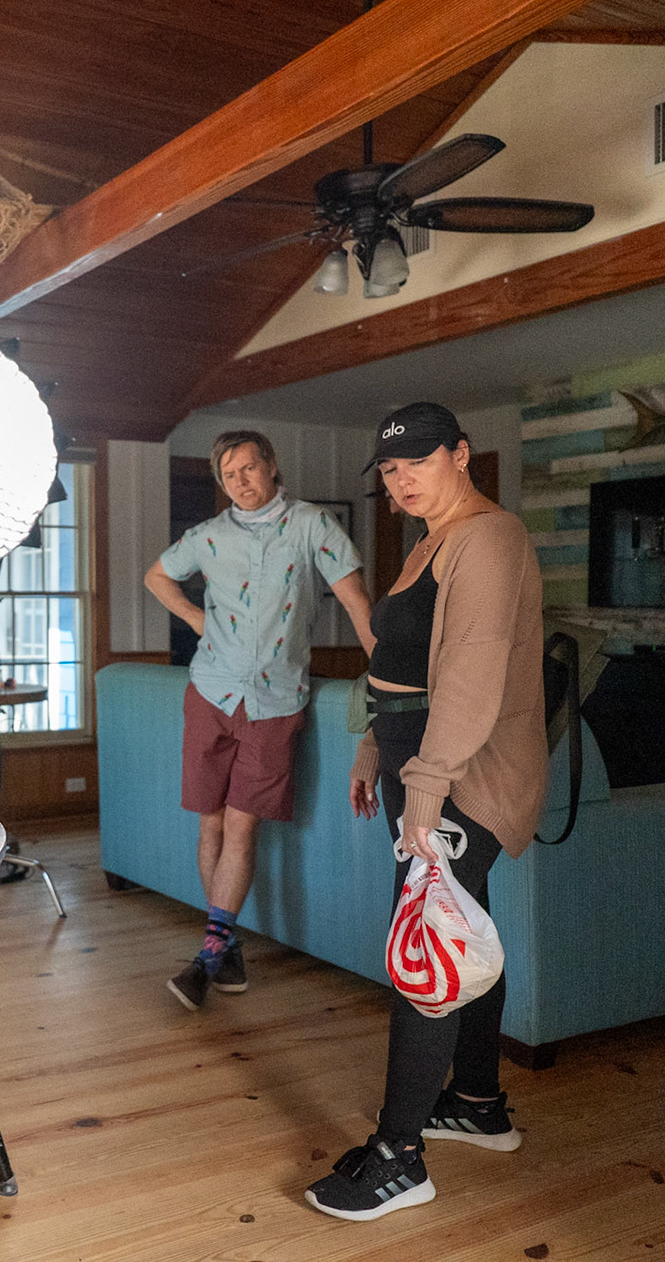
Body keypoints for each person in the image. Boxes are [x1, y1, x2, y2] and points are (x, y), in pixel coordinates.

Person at [306, 403, 547, 1222]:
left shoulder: (490, 538)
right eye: (389, 468)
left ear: (461, 454)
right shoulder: (430, 541)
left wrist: (428, 787)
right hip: (417, 761)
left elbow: (473, 673)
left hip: (460, 776)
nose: (401, 479)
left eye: (417, 461)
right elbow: (404, 663)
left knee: (425, 946)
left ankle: (398, 1158)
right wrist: (374, 745)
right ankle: (477, 1102)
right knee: (459, 922)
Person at [145, 430, 375, 1012]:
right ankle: (224, 947)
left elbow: (355, 601)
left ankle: (207, 958)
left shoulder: (312, 525)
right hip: (210, 693)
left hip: (276, 703)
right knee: (210, 826)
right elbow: (156, 576)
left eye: (249, 468)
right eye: (229, 474)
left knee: (241, 827)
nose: (240, 481)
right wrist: (194, 617)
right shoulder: (208, 536)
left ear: (271, 467)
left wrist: (387, 672)